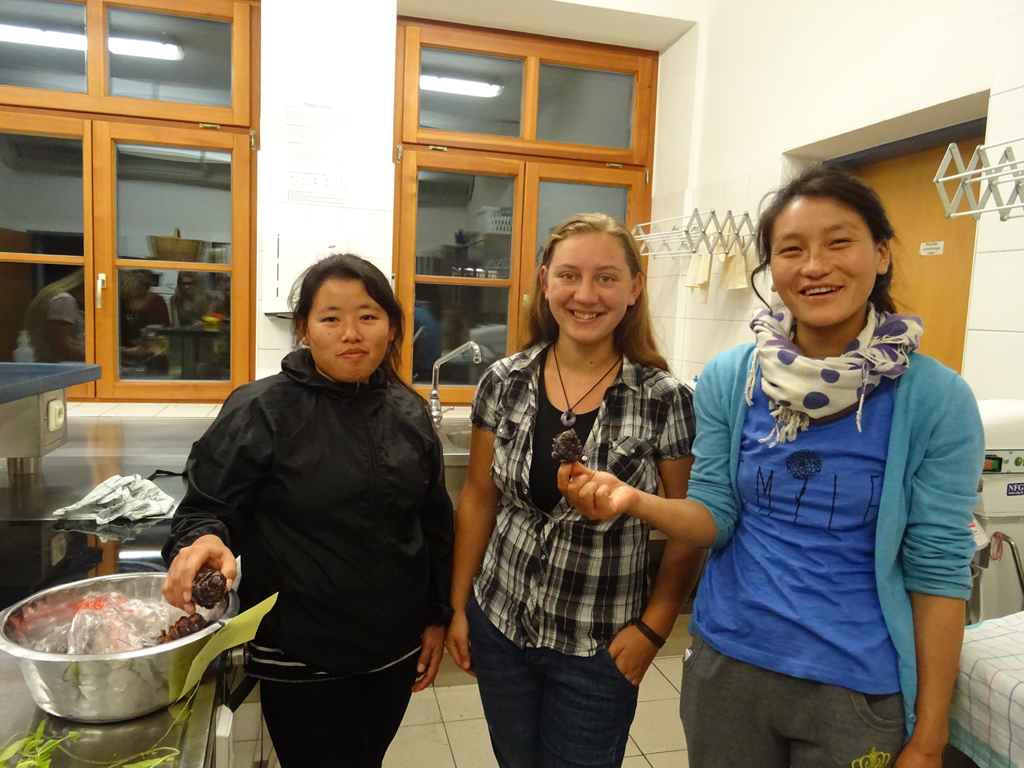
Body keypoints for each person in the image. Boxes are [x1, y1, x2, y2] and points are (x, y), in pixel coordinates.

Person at [560, 165, 984, 768]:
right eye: (791, 249)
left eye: (839, 242)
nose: (814, 266)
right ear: (772, 268)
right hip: (729, 668)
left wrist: (930, 737)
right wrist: (634, 501)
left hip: (857, 685)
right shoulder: (733, 378)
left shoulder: (936, 400)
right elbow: (716, 516)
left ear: (881, 254)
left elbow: (938, 570)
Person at [161, 253, 454, 768]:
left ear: (391, 327)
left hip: (394, 651)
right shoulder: (262, 409)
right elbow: (206, 509)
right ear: (303, 328)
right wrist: (205, 540)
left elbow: (433, 523)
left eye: (367, 316)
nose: (351, 333)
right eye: (330, 318)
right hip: (300, 655)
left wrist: (437, 616)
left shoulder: (408, 411)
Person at [446, 213, 703, 768]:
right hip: (502, 622)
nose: (585, 295)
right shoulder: (505, 381)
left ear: (634, 288)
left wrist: (654, 629)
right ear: (545, 282)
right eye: (569, 275)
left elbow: (688, 524)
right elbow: (479, 498)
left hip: (600, 642)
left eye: (606, 277)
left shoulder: (664, 399)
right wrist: (460, 608)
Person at [23, 268, 86, 362]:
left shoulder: (55, 296)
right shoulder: (64, 301)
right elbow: (61, 345)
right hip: (62, 366)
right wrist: (95, 356)